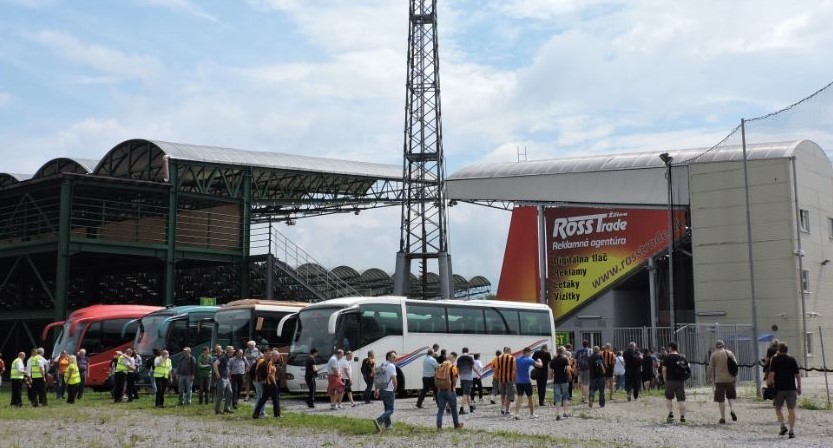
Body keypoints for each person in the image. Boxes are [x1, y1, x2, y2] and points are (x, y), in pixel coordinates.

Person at [768, 342, 800, 439]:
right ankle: (791, 431)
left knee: (778, 408)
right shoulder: (792, 359)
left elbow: (772, 374)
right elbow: (797, 375)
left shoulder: (775, 359)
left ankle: (782, 426)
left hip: (779, 389)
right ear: (787, 350)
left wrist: (769, 384)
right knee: (791, 410)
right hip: (791, 388)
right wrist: (799, 387)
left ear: (779, 349)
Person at [707, 340, 738, 424]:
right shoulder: (729, 352)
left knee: (721, 399)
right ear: (723, 345)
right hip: (730, 378)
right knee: (730, 397)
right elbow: (735, 364)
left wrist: (709, 377)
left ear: (716, 346)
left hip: (719, 379)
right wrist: (735, 375)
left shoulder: (714, 354)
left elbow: (710, 367)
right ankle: (732, 410)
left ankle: (723, 418)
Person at [435, 352, 464, 430]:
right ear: (452, 359)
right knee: (454, 408)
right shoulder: (452, 367)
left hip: (440, 391)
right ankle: (456, 425)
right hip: (450, 391)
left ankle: (439, 426)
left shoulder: (439, 366)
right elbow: (455, 379)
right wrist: (453, 386)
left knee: (440, 409)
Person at [661, 342, 687, 423]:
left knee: (669, 398)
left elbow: (664, 369)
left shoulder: (667, 357)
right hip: (680, 381)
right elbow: (687, 368)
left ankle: (670, 413)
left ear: (670, 348)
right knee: (681, 399)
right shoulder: (682, 357)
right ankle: (682, 417)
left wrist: (665, 379)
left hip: (670, 380)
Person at [513, 347, 542, 419]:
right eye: (530, 353)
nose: (530, 354)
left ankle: (516, 414)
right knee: (530, 397)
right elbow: (540, 365)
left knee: (519, 397)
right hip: (526, 381)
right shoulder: (529, 360)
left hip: (519, 381)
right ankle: (532, 414)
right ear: (527, 352)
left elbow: (515, 369)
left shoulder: (517, 359)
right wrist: (540, 360)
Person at [372, 350, 398, 432]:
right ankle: (379, 420)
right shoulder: (391, 366)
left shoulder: (382, 365)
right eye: (393, 357)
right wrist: (395, 387)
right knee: (391, 410)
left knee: (387, 409)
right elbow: (394, 378)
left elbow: (376, 377)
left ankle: (388, 426)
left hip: (382, 389)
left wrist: (376, 390)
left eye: (395, 357)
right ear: (388, 357)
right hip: (389, 390)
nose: (395, 358)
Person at [253, 349, 282, 419]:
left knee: (263, 399)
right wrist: (275, 384)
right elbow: (270, 374)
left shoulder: (271, 362)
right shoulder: (270, 363)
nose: (278, 358)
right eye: (277, 357)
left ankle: (255, 414)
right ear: (274, 356)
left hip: (266, 384)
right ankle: (277, 414)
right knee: (275, 399)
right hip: (270, 384)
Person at [550, 346, 571, 420]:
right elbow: (568, 369)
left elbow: (551, 371)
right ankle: (565, 412)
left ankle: (558, 414)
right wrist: (568, 376)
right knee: (565, 396)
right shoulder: (566, 359)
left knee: (557, 397)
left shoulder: (553, 360)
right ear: (563, 352)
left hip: (556, 381)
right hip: (564, 380)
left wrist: (552, 377)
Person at [495, 346, 516, 416]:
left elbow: (496, 369)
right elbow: (514, 369)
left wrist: (498, 377)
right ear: (509, 351)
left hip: (501, 379)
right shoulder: (512, 358)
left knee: (502, 394)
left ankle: (502, 408)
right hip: (509, 379)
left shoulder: (499, 358)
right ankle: (507, 411)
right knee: (509, 395)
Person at [213, 346, 234, 415]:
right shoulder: (223, 357)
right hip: (222, 378)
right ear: (229, 351)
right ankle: (217, 410)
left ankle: (227, 408)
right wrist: (217, 373)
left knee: (230, 393)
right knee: (220, 395)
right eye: (232, 351)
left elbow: (226, 368)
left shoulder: (228, 358)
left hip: (227, 378)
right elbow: (215, 364)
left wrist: (229, 374)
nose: (233, 352)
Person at [456, 347, 475, 414]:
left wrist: (457, 375)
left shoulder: (459, 358)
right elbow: (473, 367)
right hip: (468, 378)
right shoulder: (470, 358)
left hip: (462, 377)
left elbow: (457, 368)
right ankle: (461, 408)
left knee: (467, 393)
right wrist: (478, 374)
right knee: (465, 393)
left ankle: (471, 407)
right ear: (468, 351)